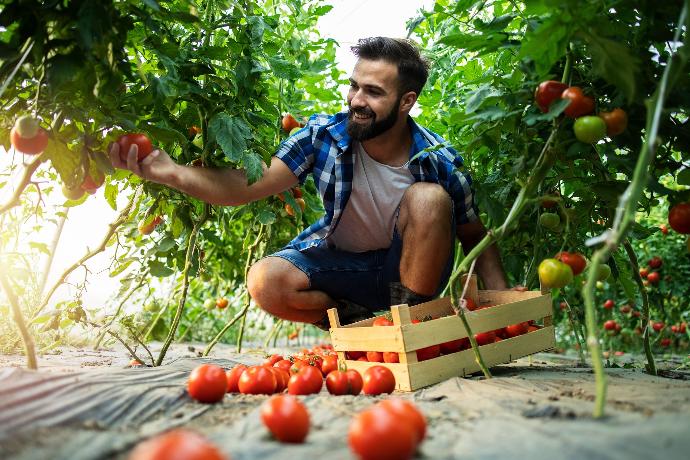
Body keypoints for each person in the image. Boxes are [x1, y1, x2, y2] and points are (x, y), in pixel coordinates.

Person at [110, 37, 508, 330]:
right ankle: (353, 326)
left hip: (409, 273)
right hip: (345, 266)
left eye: (373, 92)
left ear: (406, 102)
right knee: (266, 281)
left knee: (429, 198)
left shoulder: (437, 159)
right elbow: (251, 185)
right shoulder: (324, 135)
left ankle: (411, 326)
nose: (355, 100)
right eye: (354, 85)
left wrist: (505, 307)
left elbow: (476, 237)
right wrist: (171, 171)